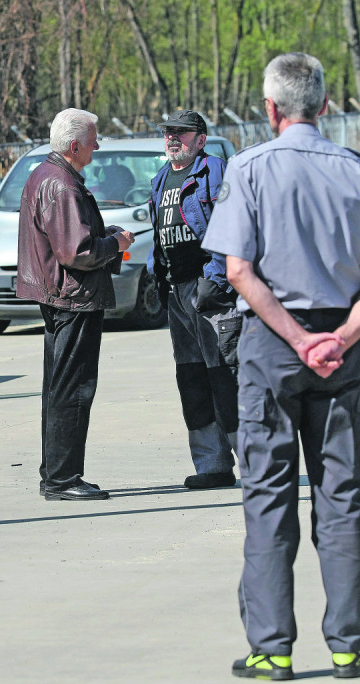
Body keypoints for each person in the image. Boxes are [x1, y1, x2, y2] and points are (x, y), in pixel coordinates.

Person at [202, 52, 360, 681]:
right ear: (325, 105)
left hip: (272, 346)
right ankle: (348, 646)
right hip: (341, 349)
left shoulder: (247, 170)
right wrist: (340, 336)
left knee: (268, 497)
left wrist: (296, 338)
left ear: (270, 109)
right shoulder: (358, 170)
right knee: (340, 496)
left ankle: (272, 649)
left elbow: (237, 270)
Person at [16, 108, 134, 501]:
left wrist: (105, 236)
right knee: (73, 389)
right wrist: (114, 244)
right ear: (74, 145)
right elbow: (76, 252)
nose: (97, 146)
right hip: (72, 299)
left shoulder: (46, 176)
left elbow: (71, 242)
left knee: (61, 387)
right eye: (93, 139)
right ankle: (62, 479)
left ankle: (57, 472)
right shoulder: (61, 184)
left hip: (62, 296)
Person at [147, 109, 241, 489]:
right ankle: (212, 466)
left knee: (227, 377)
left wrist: (217, 279)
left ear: (200, 139)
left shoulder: (217, 171)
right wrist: (159, 277)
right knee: (192, 380)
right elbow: (158, 235)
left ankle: (256, 467)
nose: (172, 139)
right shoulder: (159, 179)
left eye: (181, 133)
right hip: (177, 292)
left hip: (210, 290)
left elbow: (233, 225)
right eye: (168, 133)